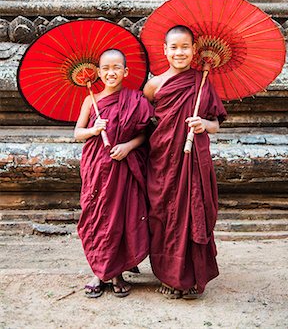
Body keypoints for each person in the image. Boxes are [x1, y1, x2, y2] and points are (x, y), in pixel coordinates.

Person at [143, 25, 227, 299]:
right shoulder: (153, 85)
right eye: (174, 47)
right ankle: (170, 276)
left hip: (194, 163)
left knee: (193, 213)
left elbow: (216, 124)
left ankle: (191, 278)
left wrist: (203, 123)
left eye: (185, 47)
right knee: (164, 214)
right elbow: (144, 124)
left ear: (194, 49)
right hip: (163, 161)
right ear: (164, 50)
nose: (180, 53)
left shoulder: (201, 82)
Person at [75, 49, 153, 298]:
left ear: (125, 71)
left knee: (121, 218)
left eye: (116, 67)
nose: (111, 73)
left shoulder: (136, 99)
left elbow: (145, 134)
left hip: (124, 167)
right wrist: (93, 130)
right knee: (97, 216)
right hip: (97, 167)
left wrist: (128, 146)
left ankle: (117, 273)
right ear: (98, 73)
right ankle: (99, 272)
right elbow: (77, 133)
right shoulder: (91, 100)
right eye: (106, 68)